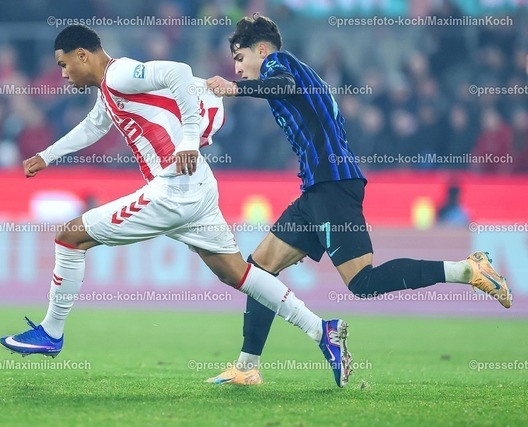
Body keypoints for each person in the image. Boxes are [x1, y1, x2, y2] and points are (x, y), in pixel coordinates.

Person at [0, 24, 353, 388]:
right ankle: (322, 330)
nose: (63, 74)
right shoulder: (109, 90)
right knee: (237, 274)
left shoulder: (121, 73)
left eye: (64, 65)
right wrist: (47, 155)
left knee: (70, 236)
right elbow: (93, 126)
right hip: (196, 186)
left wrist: (187, 140)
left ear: (82, 55)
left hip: (173, 189)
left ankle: (51, 332)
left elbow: (179, 72)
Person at [205, 14, 512, 385]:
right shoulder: (299, 74)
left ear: (262, 50)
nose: (238, 68)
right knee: (260, 268)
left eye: (240, 58)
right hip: (318, 188)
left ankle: (467, 270)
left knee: (363, 281)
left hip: (332, 186)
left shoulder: (279, 64)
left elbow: (283, 85)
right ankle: (246, 367)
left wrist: (235, 89)